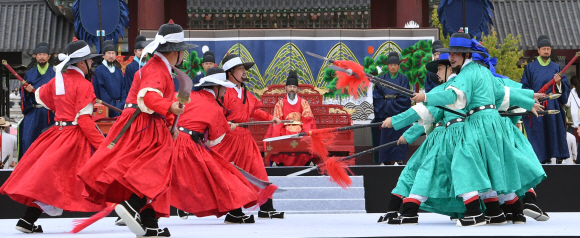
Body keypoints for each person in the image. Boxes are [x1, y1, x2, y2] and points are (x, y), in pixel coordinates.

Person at [411, 32, 545, 226]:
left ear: (467, 55)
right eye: (451, 54)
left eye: (456, 53)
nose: (451, 57)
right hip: (493, 123)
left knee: (462, 163)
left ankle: (474, 213)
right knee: (490, 168)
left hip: (477, 123)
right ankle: (505, 213)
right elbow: (504, 93)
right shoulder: (483, 71)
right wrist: (527, 100)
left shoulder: (466, 74)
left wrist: (426, 98)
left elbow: (451, 97)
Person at [78, 20, 194, 237]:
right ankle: (132, 206)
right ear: (176, 51)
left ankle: (150, 223)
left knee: (150, 170)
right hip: (144, 123)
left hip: (145, 121)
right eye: (182, 52)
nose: (184, 57)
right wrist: (170, 107)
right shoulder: (157, 68)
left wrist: (170, 121)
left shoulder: (158, 66)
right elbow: (150, 97)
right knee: (153, 169)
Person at [0, 38, 106, 233]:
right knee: (96, 172)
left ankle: (27, 219)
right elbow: (84, 121)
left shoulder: (57, 80)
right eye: (90, 60)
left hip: (57, 133)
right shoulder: (83, 85)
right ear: (81, 62)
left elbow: (42, 97)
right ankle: (132, 208)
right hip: (75, 137)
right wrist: (104, 145)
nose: (92, 63)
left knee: (50, 179)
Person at [171, 67, 259, 224]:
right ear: (216, 87)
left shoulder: (190, 95)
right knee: (223, 174)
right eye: (224, 87)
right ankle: (235, 213)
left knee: (156, 177)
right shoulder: (214, 107)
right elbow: (213, 141)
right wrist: (227, 126)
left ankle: (135, 208)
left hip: (171, 141)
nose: (225, 92)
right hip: (188, 146)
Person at [211, 54, 285, 219]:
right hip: (228, 139)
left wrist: (270, 118)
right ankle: (234, 211)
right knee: (230, 173)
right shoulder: (224, 91)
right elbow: (215, 114)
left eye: (244, 69)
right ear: (230, 73)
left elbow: (254, 111)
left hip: (245, 137)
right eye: (241, 69)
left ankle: (266, 207)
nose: (244, 72)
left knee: (258, 171)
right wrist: (225, 124)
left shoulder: (243, 91)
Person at [521, 35, 571, 164]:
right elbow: (524, 87)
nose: (546, 51)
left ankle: (557, 158)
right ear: (538, 50)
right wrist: (532, 98)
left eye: (548, 48)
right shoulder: (530, 67)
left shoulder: (556, 67)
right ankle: (541, 161)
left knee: (554, 132)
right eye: (544, 48)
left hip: (553, 103)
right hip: (538, 105)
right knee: (539, 134)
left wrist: (559, 83)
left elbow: (564, 88)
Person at [265, 70, 317, 166]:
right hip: (285, 131)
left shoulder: (304, 103)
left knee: (304, 141)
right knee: (282, 138)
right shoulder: (280, 104)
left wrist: (306, 135)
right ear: (286, 88)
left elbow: (308, 120)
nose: (292, 89)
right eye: (290, 87)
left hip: (300, 131)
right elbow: (277, 123)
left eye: (294, 87)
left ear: (297, 89)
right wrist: (275, 139)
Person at [371, 52, 411, 165]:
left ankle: (399, 159)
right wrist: (386, 111)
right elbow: (377, 97)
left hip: (399, 114)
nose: (393, 66)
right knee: (384, 137)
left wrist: (394, 112)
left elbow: (405, 98)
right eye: (391, 64)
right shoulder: (381, 79)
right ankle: (385, 160)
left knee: (399, 134)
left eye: (395, 64)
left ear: (399, 66)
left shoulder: (404, 80)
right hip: (384, 114)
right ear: (387, 66)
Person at [18, 42, 56, 160]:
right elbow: (22, 92)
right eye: (39, 54)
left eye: (44, 54)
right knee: (28, 140)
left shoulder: (54, 73)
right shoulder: (29, 73)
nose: (41, 57)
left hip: (48, 113)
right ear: (35, 56)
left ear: (49, 57)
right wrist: (27, 91)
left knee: (50, 143)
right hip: (33, 111)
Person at [92, 40, 128, 117]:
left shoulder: (118, 70)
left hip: (120, 107)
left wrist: (121, 104)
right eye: (108, 53)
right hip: (106, 107)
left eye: (113, 53)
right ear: (103, 55)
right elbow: (101, 92)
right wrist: (113, 106)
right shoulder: (98, 71)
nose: (111, 56)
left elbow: (123, 88)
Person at [565, 76, 580, 142]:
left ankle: (568, 144)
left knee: (570, 130)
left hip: (574, 115)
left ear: (572, 84)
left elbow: (567, 104)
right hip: (579, 114)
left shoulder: (572, 91)